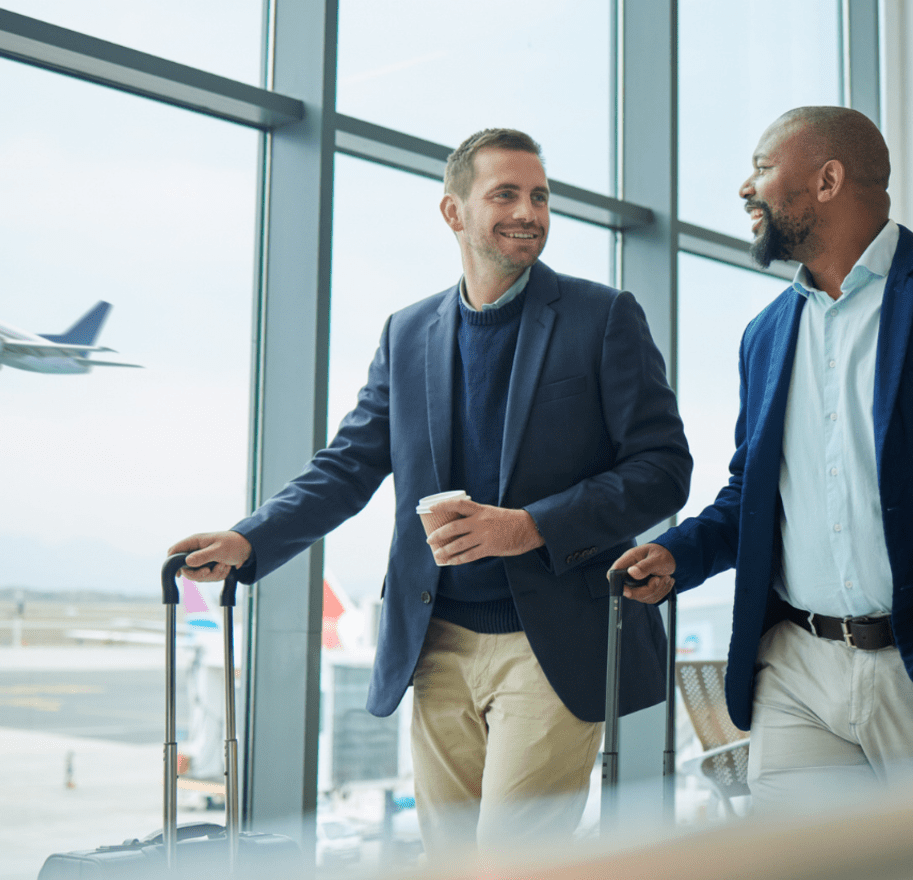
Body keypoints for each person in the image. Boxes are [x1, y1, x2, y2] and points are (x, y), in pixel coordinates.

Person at [171, 128, 691, 854]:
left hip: (552, 643)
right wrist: (250, 539)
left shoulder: (602, 318)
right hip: (435, 641)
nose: (529, 211)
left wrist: (530, 526)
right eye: (505, 193)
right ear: (454, 213)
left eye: (539, 195)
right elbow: (348, 464)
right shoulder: (408, 331)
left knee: (514, 863)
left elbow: (663, 468)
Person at [611, 106, 913, 811]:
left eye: (760, 167)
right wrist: (679, 556)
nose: (744, 189)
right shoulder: (767, 335)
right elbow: (752, 493)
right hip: (797, 671)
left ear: (827, 178)